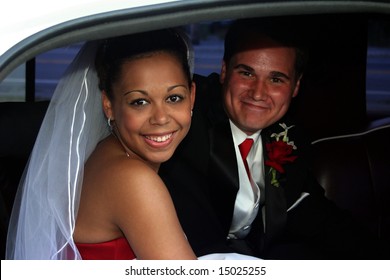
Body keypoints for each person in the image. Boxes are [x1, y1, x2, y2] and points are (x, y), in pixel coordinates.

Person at [159, 17, 384, 259]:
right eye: (246, 73)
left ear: (296, 87)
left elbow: (315, 214)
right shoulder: (185, 117)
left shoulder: (288, 134)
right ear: (224, 71)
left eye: (276, 79)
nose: (258, 93)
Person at [6, 29, 197, 260]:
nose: (161, 118)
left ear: (192, 96)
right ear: (109, 105)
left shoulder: (103, 154)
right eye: (140, 102)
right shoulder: (133, 181)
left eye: (173, 98)